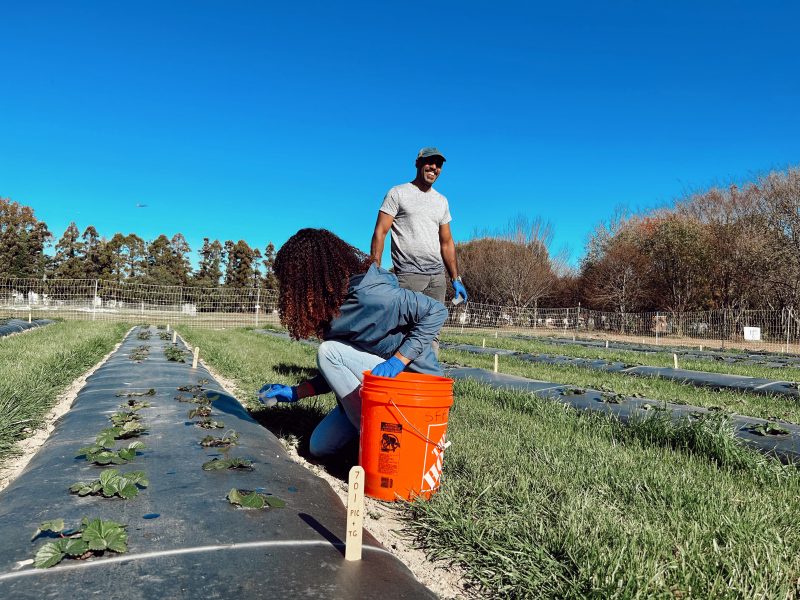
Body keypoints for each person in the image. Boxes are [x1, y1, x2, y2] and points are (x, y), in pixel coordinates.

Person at [258, 228, 447, 458]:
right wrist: (296, 392)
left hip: (414, 387)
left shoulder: (373, 295)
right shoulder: (331, 310)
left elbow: (435, 311)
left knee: (328, 352)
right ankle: (375, 434)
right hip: (378, 392)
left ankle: (383, 443)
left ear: (310, 278)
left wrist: (398, 361)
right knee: (320, 446)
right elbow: (339, 372)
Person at [370, 147, 468, 306]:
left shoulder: (441, 201)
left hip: (437, 280)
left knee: (432, 330)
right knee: (403, 329)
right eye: (430, 162)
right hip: (408, 277)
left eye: (438, 165)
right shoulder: (397, 193)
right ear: (417, 163)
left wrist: (455, 279)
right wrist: (374, 270)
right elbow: (380, 232)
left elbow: (447, 242)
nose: (434, 168)